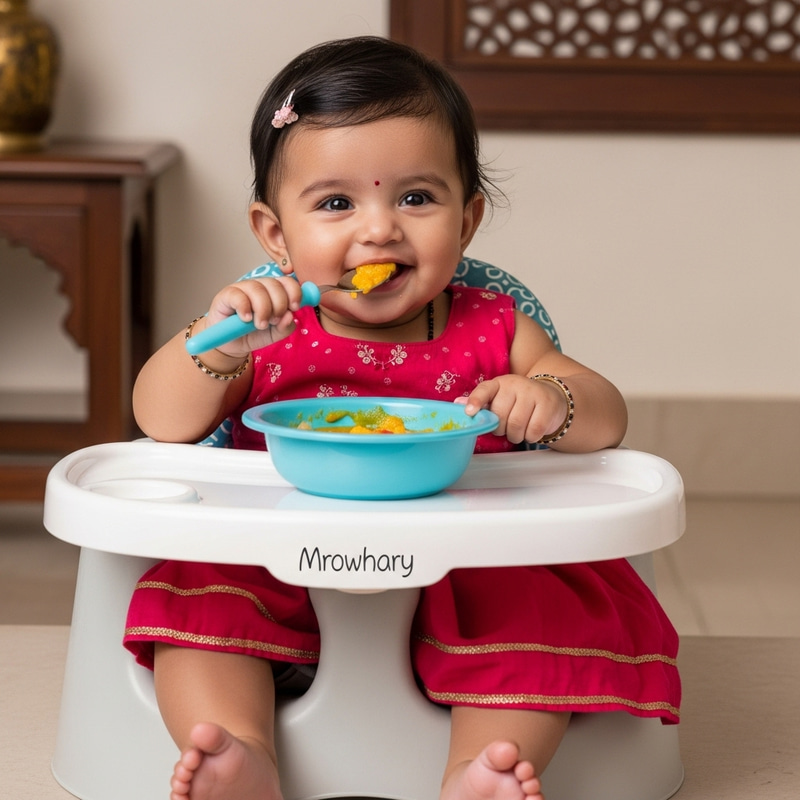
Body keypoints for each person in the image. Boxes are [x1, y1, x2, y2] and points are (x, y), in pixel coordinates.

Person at [124, 35, 680, 800]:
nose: (380, 228)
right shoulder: (265, 329)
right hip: (281, 554)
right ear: (276, 234)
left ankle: (481, 770)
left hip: (471, 564)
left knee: (543, 613)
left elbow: (605, 418)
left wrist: (552, 399)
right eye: (336, 203)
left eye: (416, 198)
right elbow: (160, 421)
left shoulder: (495, 326)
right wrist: (215, 344)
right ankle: (239, 751)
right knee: (201, 596)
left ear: (469, 218)